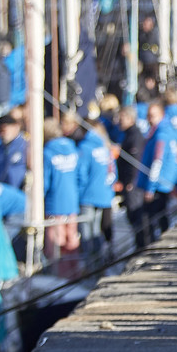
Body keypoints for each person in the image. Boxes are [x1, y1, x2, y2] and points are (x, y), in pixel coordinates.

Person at [137, 97, 177, 241]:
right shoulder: (166, 131)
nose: (149, 119)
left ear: (161, 115)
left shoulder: (161, 134)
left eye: (153, 116)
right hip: (164, 181)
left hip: (159, 184)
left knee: (155, 217)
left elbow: (157, 161)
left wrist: (150, 187)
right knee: (161, 216)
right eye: (148, 115)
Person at [75, 117, 118, 263]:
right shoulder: (105, 146)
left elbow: (81, 174)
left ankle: (90, 265)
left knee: (87, 233)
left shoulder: (85, 147)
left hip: (88, 195)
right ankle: (100, 263)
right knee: (96, 230)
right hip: (103, 194)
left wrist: (79, 194)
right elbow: (112, 172)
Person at [41, 118, 81, 273]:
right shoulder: (72, 148)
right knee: (72, 238)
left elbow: (45, 180)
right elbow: (79, 174)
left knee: (56, 240)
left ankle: (58, 275)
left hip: (54, 202)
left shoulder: (47, 152)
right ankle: (74, 271)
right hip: (72, 200)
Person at [116, 104, 151, 249]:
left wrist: (131, 181)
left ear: (130, 118)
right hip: (128, 182)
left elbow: (136, 160)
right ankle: (139, 245)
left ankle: (142, 246)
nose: (119, 121)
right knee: (132, 216)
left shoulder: (135, 135)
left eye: (122, 118)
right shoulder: (128, 134)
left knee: (137, 216)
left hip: (133, 184)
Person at [0, 115, 27, 189]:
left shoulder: (26, 145)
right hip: (4, 191)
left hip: (21, 192)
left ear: (16, 127)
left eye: (4, 130)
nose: (2, 134)